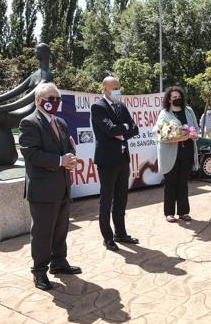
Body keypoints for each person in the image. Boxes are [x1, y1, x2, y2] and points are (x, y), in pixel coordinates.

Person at [19, 83, 81, 291]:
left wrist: (70, 158)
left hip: (62, 185)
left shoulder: (61, 122)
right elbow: (31, 154)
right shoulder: (29, 123)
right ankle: (39, 271)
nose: (54, 102)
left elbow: (66, 148)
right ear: (38, 100)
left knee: (61, 228)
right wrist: (59, 161)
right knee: (42, 232)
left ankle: (59, 262)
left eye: (57, 99)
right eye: (50, 98)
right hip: (43, 189)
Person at [90, 77, 140, 251]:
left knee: (121, 198)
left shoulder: (121, 106)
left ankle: (121, 233)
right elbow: (109, 130)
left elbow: (135, 129)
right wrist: (123, 128)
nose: (118, 90)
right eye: (114, 87)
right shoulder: (98, 107)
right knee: (107, 199)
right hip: (107, 160)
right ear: (105, 88)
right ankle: (107, 237)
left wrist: (122, 129)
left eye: (119, 87)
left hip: (123, 159)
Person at [154, 86, 200, 222]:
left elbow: (196, 128)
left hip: (187, 152)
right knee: (170, 183)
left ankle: (183, 212)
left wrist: (193, 134)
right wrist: (181, 137)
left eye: (179, 97)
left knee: (183, 183)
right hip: (170, 154)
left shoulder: (189, 111)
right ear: (169, 99)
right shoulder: (164, 113)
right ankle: (169, 213)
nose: (177, 99)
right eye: (174, 97)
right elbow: (162, 135)